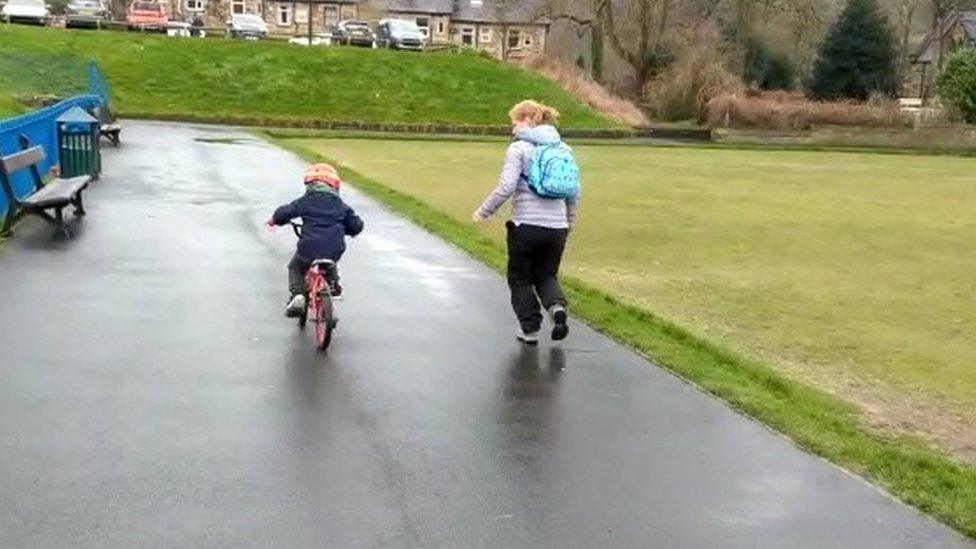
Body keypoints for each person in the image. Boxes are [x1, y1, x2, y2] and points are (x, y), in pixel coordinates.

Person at [472, 100, 579, 345]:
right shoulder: (564, 149)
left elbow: (506, 187)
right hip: (557, 228)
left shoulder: (519, 148)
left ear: (527, 120)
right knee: (547, 275)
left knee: (519, 277)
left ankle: (529, 329)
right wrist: (568, 223)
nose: (512, 128)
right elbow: (574, 193)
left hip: (526, 226)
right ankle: (556, 308)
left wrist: (483, 211)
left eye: (515, 122)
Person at [268, 163, 364, 317]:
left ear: (309, 184)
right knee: (329, 259)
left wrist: (275, 220)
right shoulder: (341, 205)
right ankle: (333, 284)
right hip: (335, 247)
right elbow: (356, 225)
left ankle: (298, 294)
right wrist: (350, 230)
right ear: (334, 185)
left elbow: (284, 213)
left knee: (295, 266)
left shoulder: (305, 201)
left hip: (308, 246)